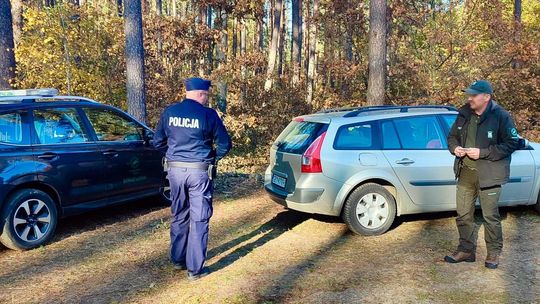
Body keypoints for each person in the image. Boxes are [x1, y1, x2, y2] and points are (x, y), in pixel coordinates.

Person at [153, 77, 232, 281]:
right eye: (206, 95)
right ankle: (194, 269)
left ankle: (178, 258)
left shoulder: (170, 112)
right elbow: (225, 143)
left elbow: (158, 142)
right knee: (199, 217)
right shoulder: (208, 115)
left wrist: (173, 156)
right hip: (199, 171)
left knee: (179, 213)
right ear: (200, 94)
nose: (207, 99)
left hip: (175, 172)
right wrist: (213, 158)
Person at [444, 80, 520, 269]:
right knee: (463, 214)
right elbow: (451, 137)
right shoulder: (464, 113)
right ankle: (466, 250)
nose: (469, 98)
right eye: (469, 94)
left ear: (486, 97)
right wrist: (456, 149)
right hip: (465, 173)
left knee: (490, 216)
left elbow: (512, 143)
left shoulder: (501, 116)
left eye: (473, 95)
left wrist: (483, 153)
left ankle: (493, 253)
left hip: (490, 175)